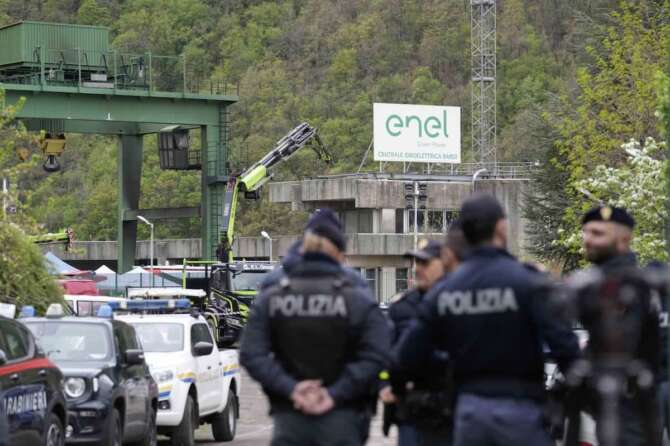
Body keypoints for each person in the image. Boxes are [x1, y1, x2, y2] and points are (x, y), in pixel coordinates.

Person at [396, 194, 579, 446]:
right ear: (501, 228)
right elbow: (565, 347)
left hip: (468, 412)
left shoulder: (445, 291)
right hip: (521, 410)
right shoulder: (526, 282)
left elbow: (405, 356)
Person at [240, 208, 390, 446]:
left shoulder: (272, 295)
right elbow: (378, 354)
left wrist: (291, 389)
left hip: (290, 417)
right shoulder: (357, 296)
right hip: (343, 417)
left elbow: (251, 353)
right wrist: (334, 393)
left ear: (303, 249)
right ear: (340, 254)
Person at [565, 205, 663, 446]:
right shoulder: (586, 286)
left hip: (633, 394)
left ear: (624, 238)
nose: (588, 240)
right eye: (586, 233)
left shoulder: (642, 286)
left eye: (598, 234)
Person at [380, 222, 470, 446]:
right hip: (411, 412)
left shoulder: (460, 302)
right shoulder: (401, 307)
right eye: (416, 262)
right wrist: (383, 385)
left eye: (425, 262)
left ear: (444, 263)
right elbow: (385, 355)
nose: (418, 268)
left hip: (448, 411)